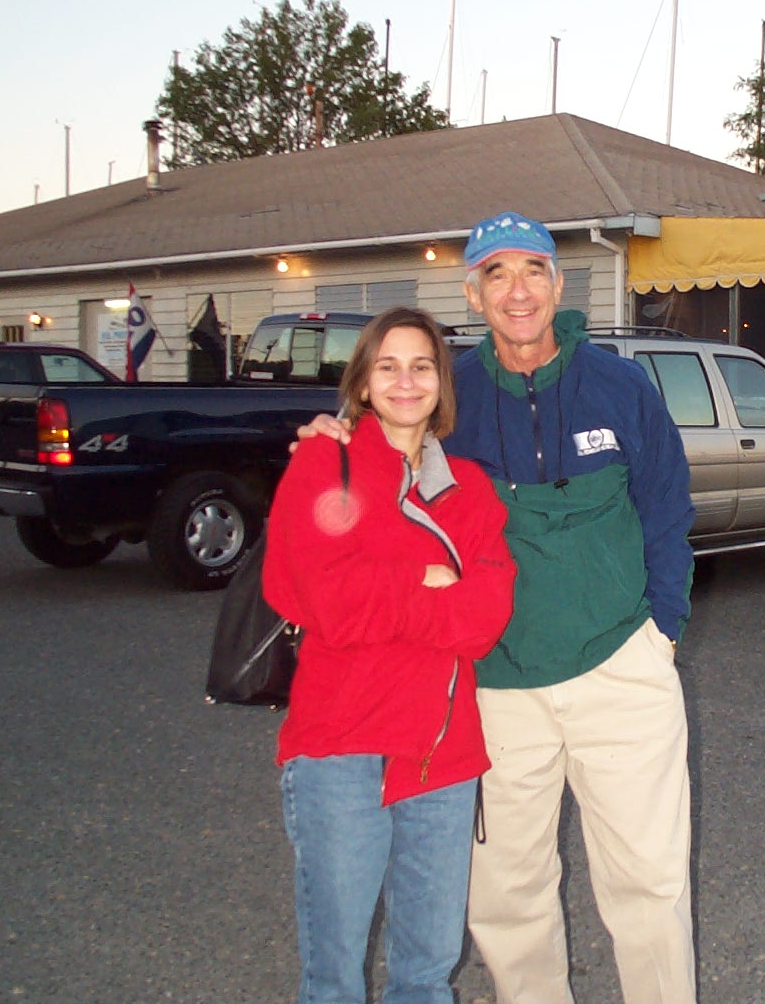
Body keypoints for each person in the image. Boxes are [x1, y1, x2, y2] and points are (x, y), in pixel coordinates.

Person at [301, 211, 698, 1004]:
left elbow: (667, 509)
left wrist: (663, 630)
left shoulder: (620, 387)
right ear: (473, 294)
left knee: (650, 885)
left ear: (558, 284)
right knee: (506, 897)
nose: (517, 291)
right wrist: (332, 441)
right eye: (496, 274)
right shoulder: (449, 397)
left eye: (532, 271)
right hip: (495, 689)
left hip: (622, 671)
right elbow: (378, 466)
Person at [265, 306, 516, 1004]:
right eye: (388, 366)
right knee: (334, 976)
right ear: (363, 383)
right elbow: (321, 598)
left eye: (422, 366)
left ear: (442, 383)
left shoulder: (470, 488)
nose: (406, 382)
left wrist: (387, 597)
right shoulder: (325, 461)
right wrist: (426, 581)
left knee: (426, 973)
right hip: (341, 747)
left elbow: (485, 619)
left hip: (440, 755)